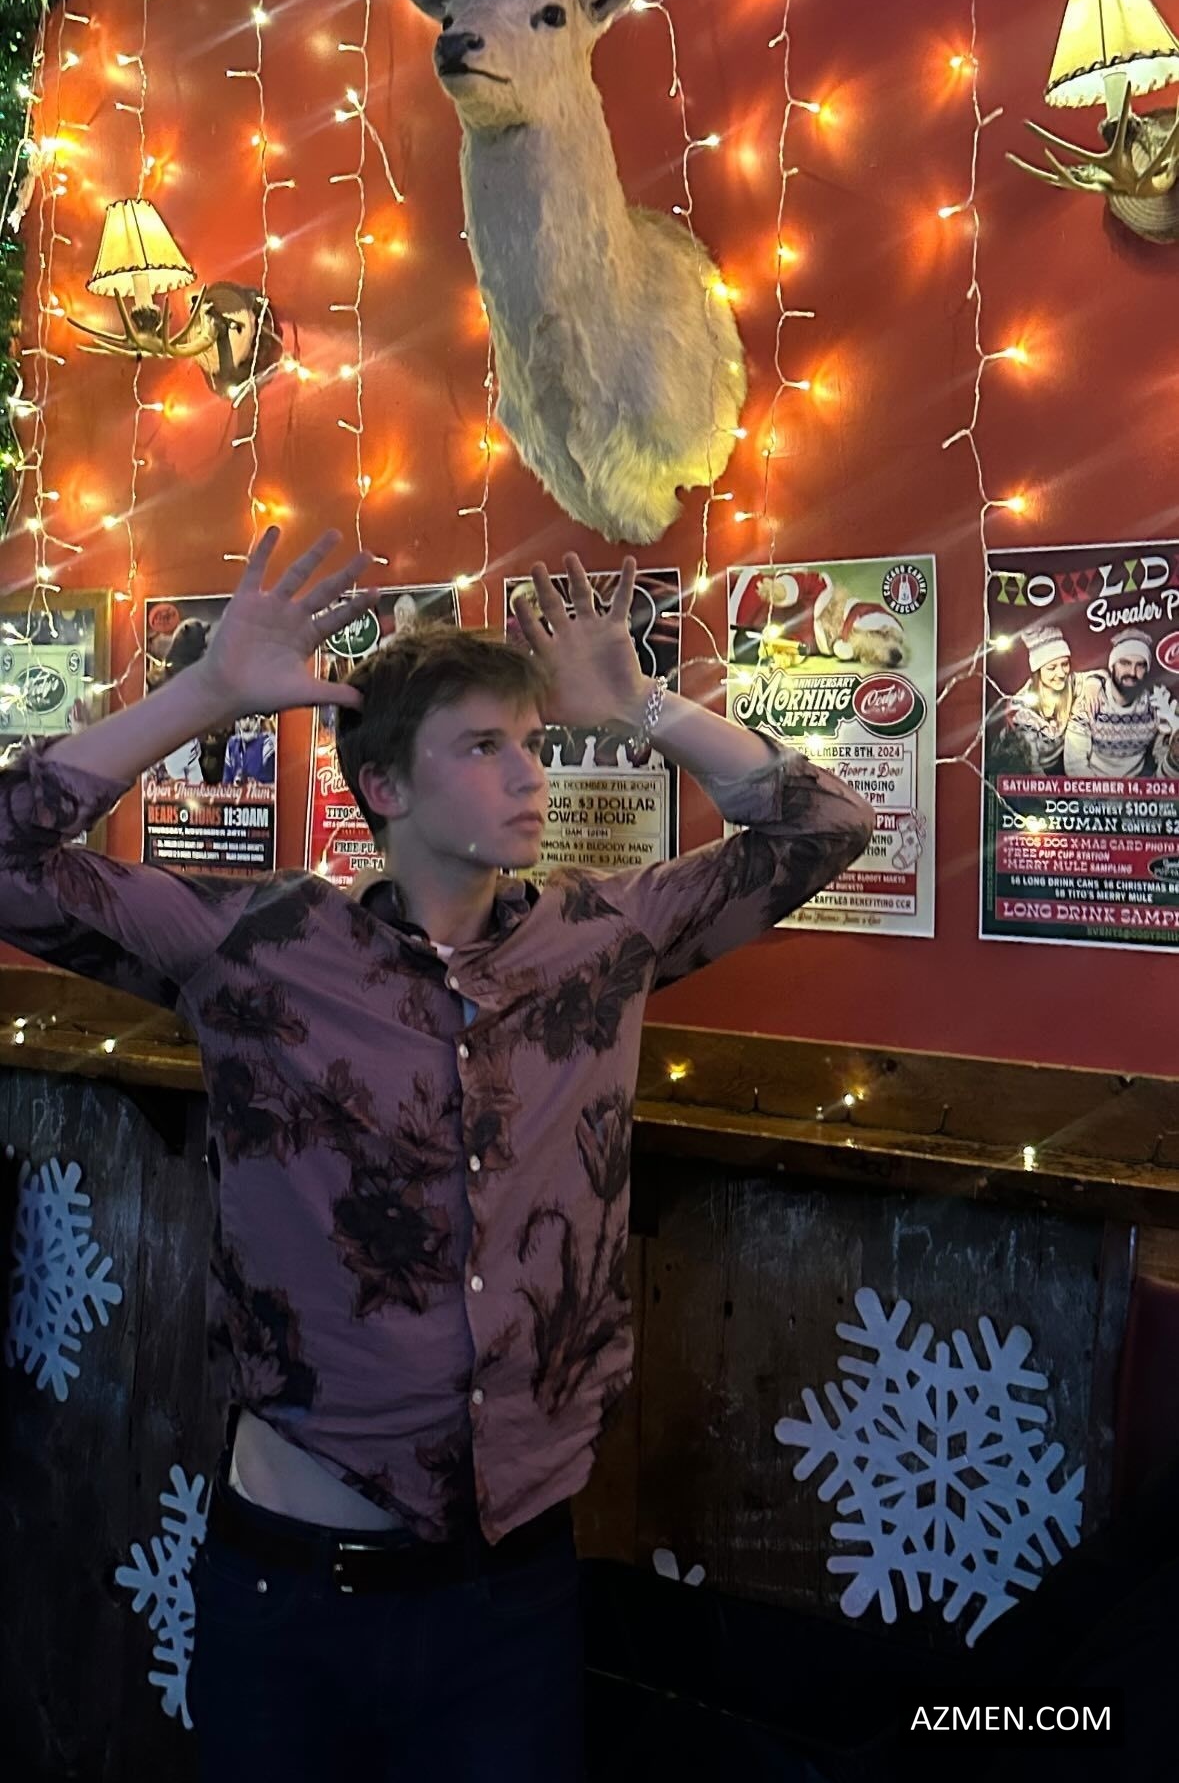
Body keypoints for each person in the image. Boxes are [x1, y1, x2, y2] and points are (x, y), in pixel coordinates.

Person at [0, 528, 872, 1783]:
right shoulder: (257, 943)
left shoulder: (601, 934)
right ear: (386, 787)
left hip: (510, 1586)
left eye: (533, 742)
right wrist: (204, 692)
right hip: (292, 1581)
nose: (529, 774)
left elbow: (825, 826)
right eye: (483, 746)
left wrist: (645, 707)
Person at [1064, 627, 1163, 778]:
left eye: (1140, 665)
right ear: (1112, 666)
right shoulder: (1090, 701)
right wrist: (1103, 792)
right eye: (1125, 663)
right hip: (1094, 787)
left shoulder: (1157, 705)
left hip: (1137, 789)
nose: (1132, 672)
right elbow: (1074, 764)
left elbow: (1167, 760)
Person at [1002, 624, 1074, 774]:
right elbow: (1033, 767)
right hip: (1026, 773)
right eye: (1052, 668)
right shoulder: (1022, 711)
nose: (1061, 673)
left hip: (1062, 768)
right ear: (1038, 670)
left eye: (1065, 664)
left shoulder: (1072, 687)